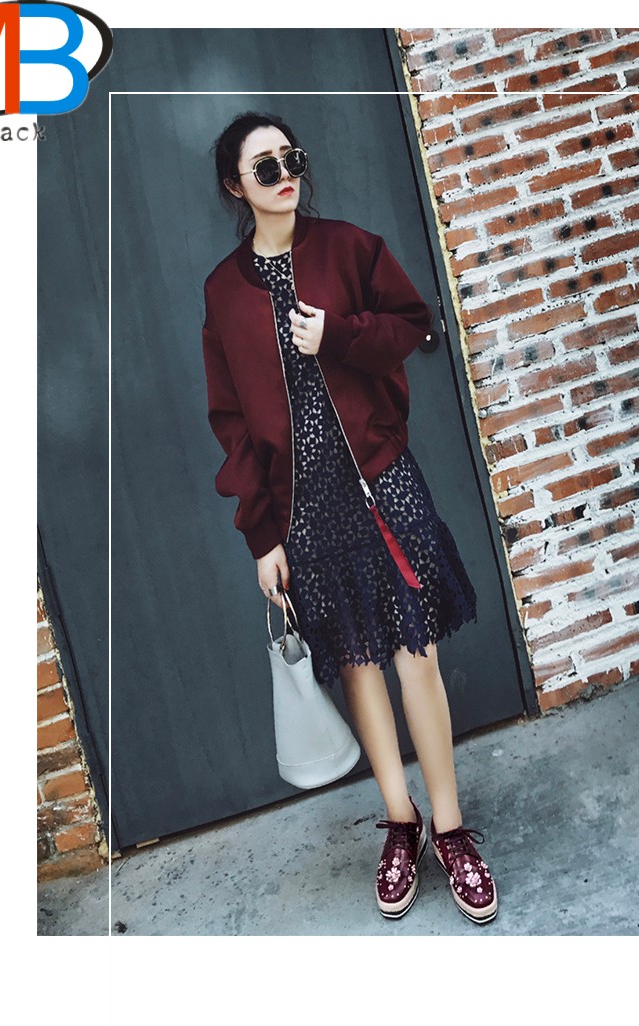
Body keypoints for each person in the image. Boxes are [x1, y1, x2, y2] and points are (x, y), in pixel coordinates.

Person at [201, 111, 497, 924]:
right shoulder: (223, 293)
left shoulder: (350, 248)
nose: (284, 175)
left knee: (415, 655)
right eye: (264, 167)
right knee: (360, 664)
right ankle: (401, 821)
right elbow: (231, 420)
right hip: (303, 509)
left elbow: (411, 326)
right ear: (236, 187)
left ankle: (450, 829)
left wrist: (337, 334)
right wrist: (262, 535)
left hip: (381, 480)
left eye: (290, 158)